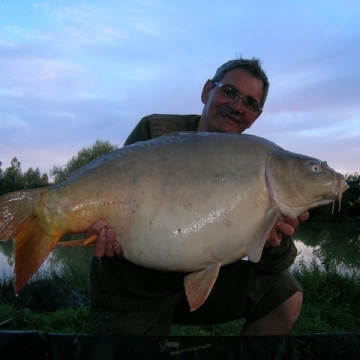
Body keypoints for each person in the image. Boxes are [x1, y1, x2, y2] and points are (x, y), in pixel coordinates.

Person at [87, 58, 309, 336]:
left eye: (250, 103)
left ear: (256, 116)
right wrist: (107, 234)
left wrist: (274, 242)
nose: (237, 106)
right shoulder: (155, 131)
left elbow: (274, 264)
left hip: (210, 284)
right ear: (207, 91)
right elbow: (113, 204)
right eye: (229, 91)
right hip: (134, 290)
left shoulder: (261, 165)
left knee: (284, 295)